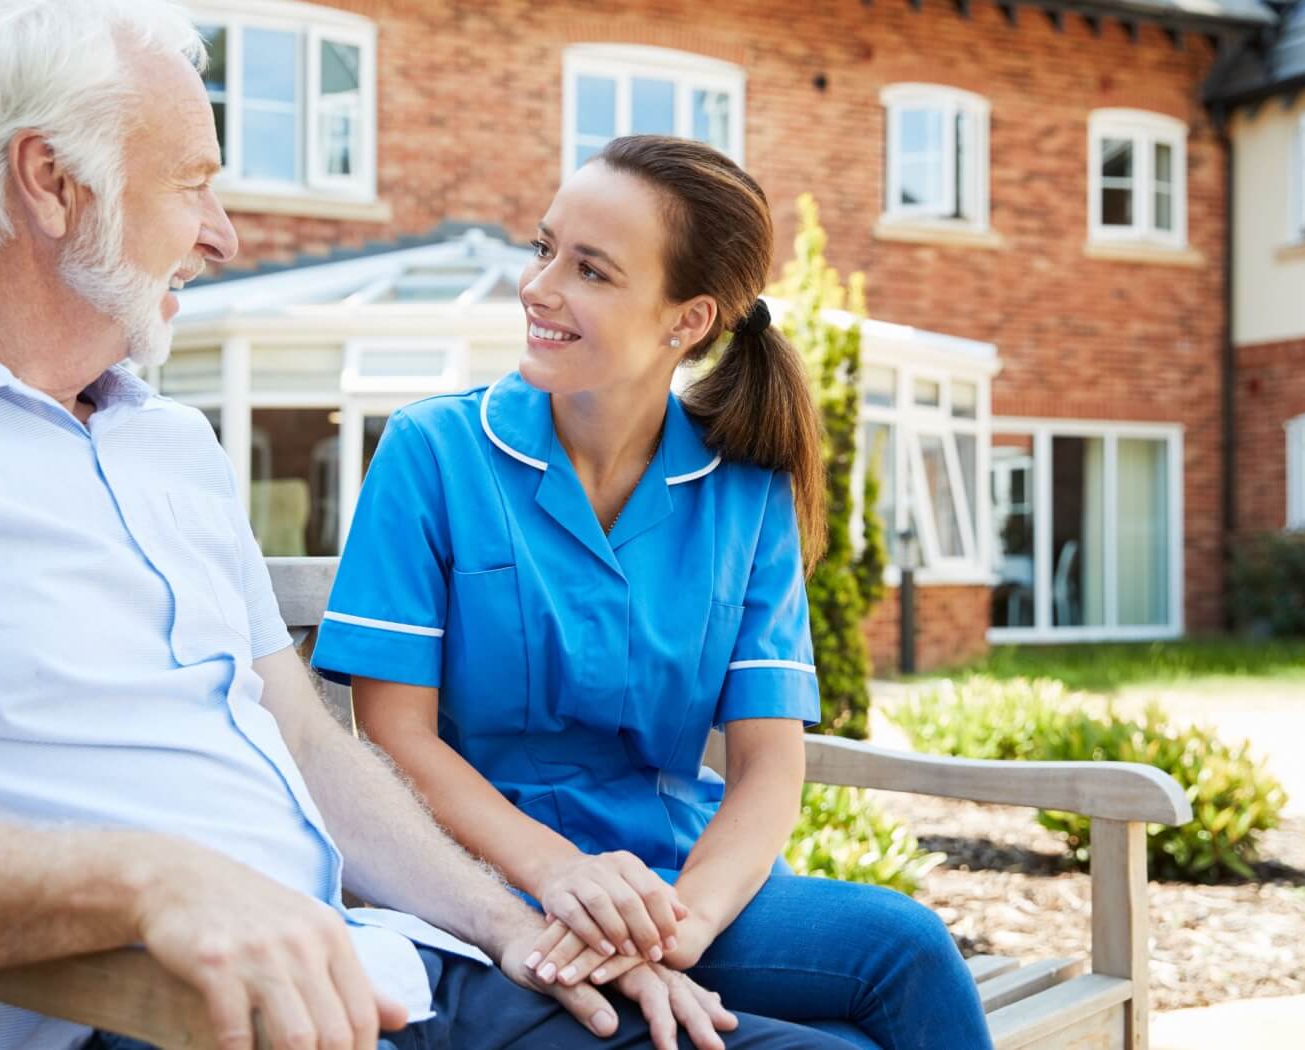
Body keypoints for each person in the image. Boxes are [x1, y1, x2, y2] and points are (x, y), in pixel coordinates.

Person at [0, 4, 860, 1049]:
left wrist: (508, 927)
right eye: (193, 186)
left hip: (388, 973)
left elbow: (313, 744)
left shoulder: (169, 445)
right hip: (160, 1012)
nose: (224, 235)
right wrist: (154, 879)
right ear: (53, 184)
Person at [310, 135, 998, 1050]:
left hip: (672, 889)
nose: (539, 286)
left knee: (905, 947)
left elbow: (768, 766)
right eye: (543, 248)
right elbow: (393, 735)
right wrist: (561, 877)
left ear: (687, 320)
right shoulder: (432, 454)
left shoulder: (745, 494)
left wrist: (683, 927)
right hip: (477, 885)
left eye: (590, 270)